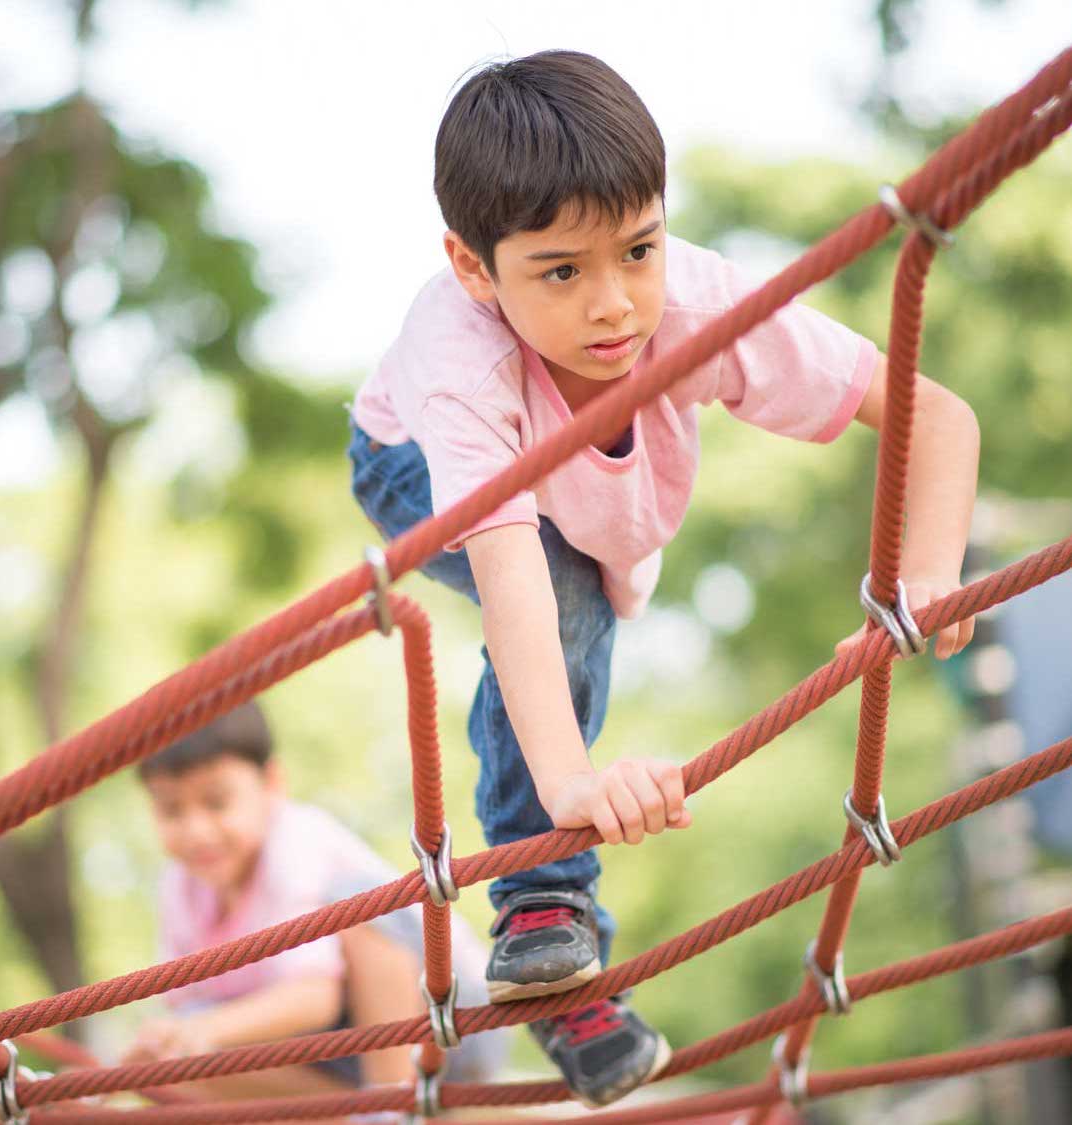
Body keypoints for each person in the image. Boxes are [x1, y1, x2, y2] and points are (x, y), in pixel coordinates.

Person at [348, 49, 979, 1107]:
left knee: (583, 582)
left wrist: (923, 578)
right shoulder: (460, 362)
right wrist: (571, 792)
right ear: (472, 268)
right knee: (562, 599)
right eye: (560, 271)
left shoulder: (691, 303)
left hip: (597, 509)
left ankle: (558, 961)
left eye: (635, 249)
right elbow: (512, 585)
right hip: (408, 464)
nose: (612, 305)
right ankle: (542, 911)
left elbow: (935, 414)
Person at [122, 702, 505, 1098]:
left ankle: (388, 1101)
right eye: (170, 810)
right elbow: (185, 1015)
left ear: (271, 784)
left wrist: (203, 1029)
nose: (196, 831)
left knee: (362, 905)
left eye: (217, 802)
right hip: (329, 1056)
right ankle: (345, 1112)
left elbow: (315, 999)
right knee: (157, 1065)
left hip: (446, 1020)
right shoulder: (179, 887)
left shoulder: (296, 838)